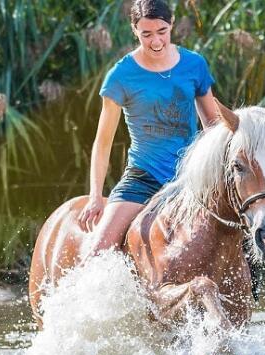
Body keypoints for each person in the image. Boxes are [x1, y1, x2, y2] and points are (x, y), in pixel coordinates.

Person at [77, 0, 218, 255]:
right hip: (143, 178)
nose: (156, 42)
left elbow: (214, 125)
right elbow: (103, 142)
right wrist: (96, 196)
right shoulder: (120, 76)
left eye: (162, 31)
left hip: (191, 178)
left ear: (172, 24)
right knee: (97, 251)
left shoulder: (194, 65)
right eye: (146, 34)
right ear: (135, 31)